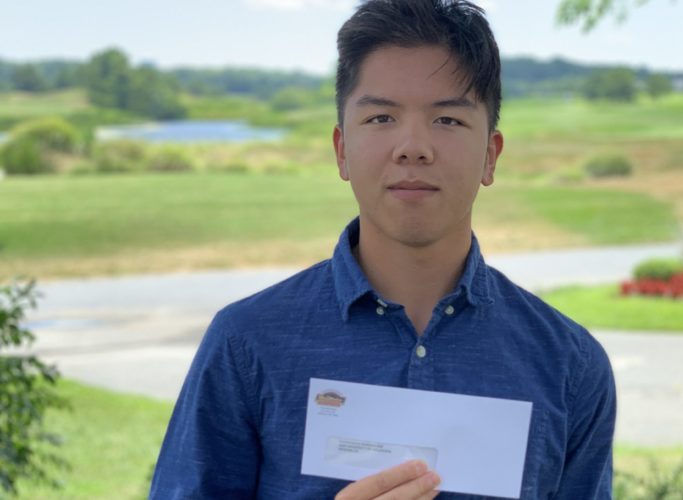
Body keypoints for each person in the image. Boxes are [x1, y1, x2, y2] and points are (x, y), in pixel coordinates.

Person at [149, 0, 616, 498]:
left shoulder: (570, 366)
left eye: (448, 120)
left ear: (490, 156)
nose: (413, 146)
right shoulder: (245, 343)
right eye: (380, 117)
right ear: (341, 150)